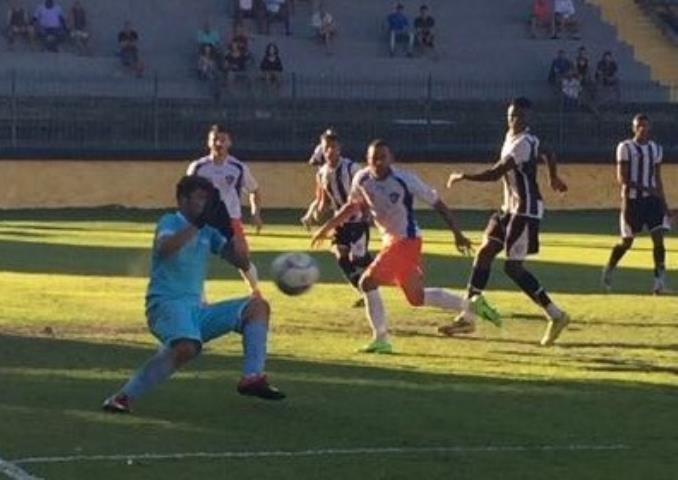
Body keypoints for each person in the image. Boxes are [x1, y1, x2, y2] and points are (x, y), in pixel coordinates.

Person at [102, 175, 285, 413]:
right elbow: (165, 248)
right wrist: (198, 224)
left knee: (257, 307)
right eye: (199, 198)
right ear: (182, 200)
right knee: (186, 347)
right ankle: (124, 397)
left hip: (197, 311)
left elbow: (241, 261)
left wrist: (230, 229)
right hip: (165, 306)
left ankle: (252, 377)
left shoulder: (208, 231)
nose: (203, 204)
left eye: (206, 200)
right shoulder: (170, 221)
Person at [311, 139, 500, 354]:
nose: (379, 162)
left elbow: (438, 203)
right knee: (416, 298)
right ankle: (473, 304)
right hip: (391, 241)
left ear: (391, 159)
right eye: (374, 158)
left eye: (383, 157)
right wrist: (327, 227)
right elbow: (353, 205)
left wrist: (457, 233)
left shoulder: (405, 180)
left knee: (367, 282)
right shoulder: (362, 179)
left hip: (406, 241)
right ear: (368, 160)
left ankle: (381, 339)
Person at [441, 97, 570, 347]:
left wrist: (463, 175)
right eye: (511, 116)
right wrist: (553, 177)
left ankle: (556, 315)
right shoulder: (515, 138)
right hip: (508, 209)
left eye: (520, 117)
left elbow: (496, 173)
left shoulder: (523, 143)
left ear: (528, 119)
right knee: (485, 252)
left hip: (526, 211)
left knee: (513, 268)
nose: (514, 120)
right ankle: (467, 315)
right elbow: (548, 152)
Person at [186, 124, 263, 298]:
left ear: (229, 142)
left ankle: (255, 293)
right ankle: (200, 299)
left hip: (230, 220)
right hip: (204, 221)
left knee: (242, 260)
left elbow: (254, 190)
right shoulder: (197, 168)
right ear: (208, 142)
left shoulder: (238, 168)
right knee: (194, 260)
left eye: (223, 139)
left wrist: (255, 213)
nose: (219, 143)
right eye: (215, 139)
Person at [602, 114, 674, 294]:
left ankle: (659, 283)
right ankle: (609, 267)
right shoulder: (625, 147)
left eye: (645, 126)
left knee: (658, 240)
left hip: (652, 202)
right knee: (627, 242)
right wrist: (644, 188)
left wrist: (665, 205)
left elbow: (657, 178)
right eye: (639, 126)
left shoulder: (656, 149)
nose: (642, 129)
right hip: (633, 201)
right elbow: (622, 177)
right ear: (634, 128)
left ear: (650, 128)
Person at [304, 130, 373, 308]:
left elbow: (367, 191)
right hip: (340, 222)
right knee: (341, 256)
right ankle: (365, 293)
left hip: (357, 219)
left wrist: (367, 212)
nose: (330, 151)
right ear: (322, 149)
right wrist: (313, 214)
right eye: (327, 147)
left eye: (334, 147)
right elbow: (323, 201)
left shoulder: (352, 168)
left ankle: (380, 267)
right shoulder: (321, 174)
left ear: (339, 148)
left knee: (358, 259)